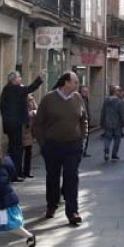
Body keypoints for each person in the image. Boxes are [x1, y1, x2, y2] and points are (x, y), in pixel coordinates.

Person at [33, 72, 88, 226]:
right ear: (66, 83)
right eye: (75, 81)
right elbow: (38, 124)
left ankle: (73, 212)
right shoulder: (49, 99)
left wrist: (83, 138)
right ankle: (52, 204)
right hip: (53, 145)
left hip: (73, 145)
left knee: (71, 177)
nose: (78, 84)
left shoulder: (77, 99)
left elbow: (84, 119)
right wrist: (43, 144)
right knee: (53, 177)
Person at [0, 70, 45, 182]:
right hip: (16, 124)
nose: (21, 79)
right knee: (17, 149)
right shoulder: (14, 89)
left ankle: (14, 172)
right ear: (14, 79)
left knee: (13, 148)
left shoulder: (7, 89)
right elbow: (29, 89)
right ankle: (15, 173)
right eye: (19, 77)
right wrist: (39, 78)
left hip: (10, 123)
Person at [100, 86, 124, 162]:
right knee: (117, 139)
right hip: (117, 124)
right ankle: (114, 154)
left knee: (107, 138)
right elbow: (121, 114)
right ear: (114, 92)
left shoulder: (106, 100)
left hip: (107, 122)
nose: (120, 92)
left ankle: (106, 151)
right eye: (119, 90)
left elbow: (103, 112)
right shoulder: (120, 101)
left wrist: (102, 122)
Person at [20, 94, 37, 178]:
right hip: (21, 129)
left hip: (29, 130)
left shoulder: (31, 99)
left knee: (28, 152)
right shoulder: (20, 99)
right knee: (21, 152)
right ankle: (20, 171)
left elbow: (36, 110)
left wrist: (33, 112)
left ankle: (26, 171)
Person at [79, 85, 92, 157]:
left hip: (86, 121)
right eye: (84, 91)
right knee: (84, 138)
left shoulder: (86, 99)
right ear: (81, 92)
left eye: (87, 91)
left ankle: (84, 151)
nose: (86, 93)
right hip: (83, 122)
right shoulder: (81, 100)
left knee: (86, 138)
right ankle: (82, 151)